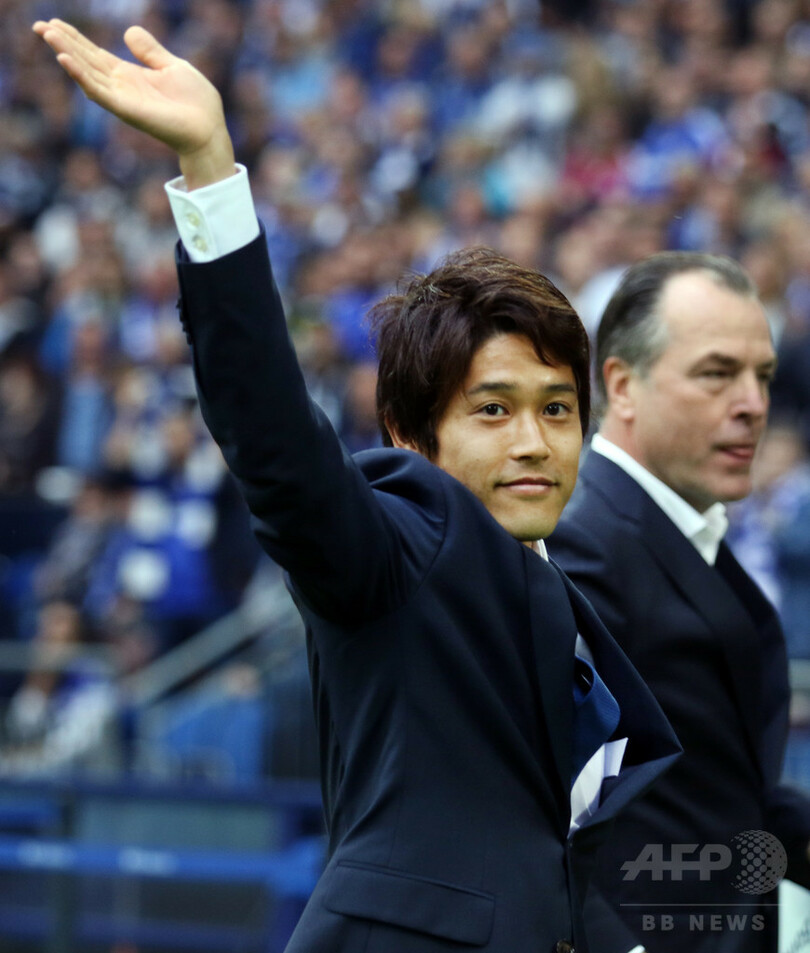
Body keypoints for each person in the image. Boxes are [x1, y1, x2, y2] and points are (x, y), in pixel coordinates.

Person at [33, 19, 680, 953]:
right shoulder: (407, 544)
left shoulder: (561, 594)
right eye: (492, 409)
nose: (534, 441)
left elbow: (548, 856)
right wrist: (211, 170)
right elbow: (279, 449)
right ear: (412, 438)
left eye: (556, 409)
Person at [549, 252, 810, 952]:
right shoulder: (580, 542)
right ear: (622, 385)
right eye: (717, 373)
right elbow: (540, 811)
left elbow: (724, 784)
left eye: (763, 375)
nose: (753, 403)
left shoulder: (688, 531)